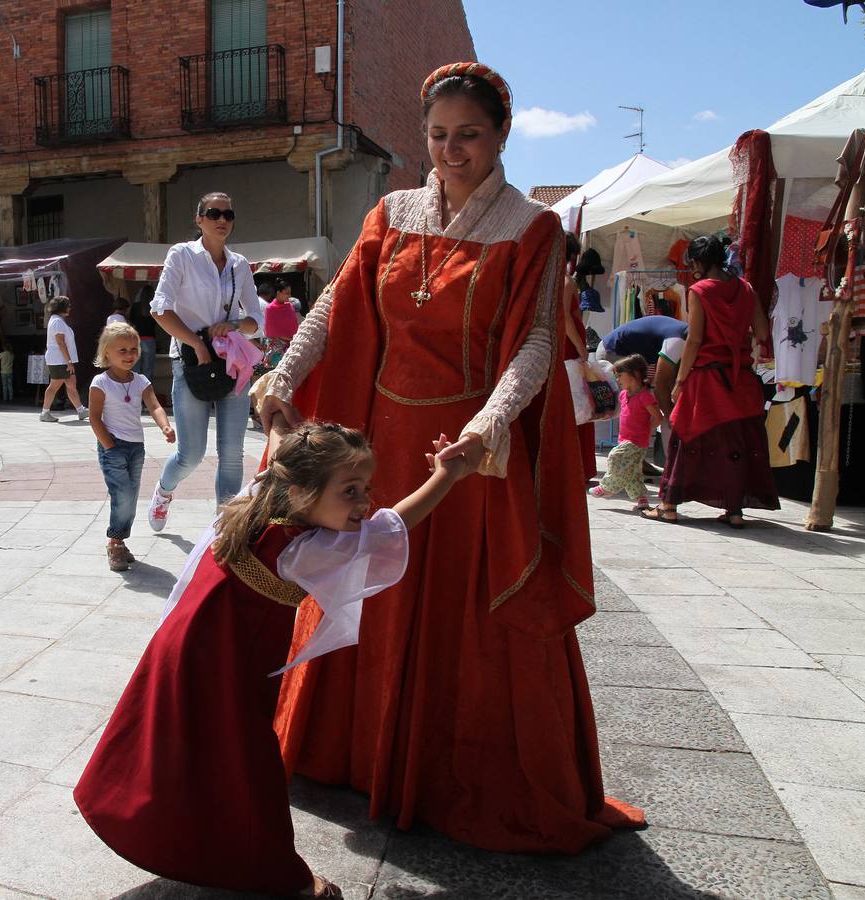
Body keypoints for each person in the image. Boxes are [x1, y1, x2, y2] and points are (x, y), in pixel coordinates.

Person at [258, 62, 644, 851]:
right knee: (365, 594)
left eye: (468, 135)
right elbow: (336, 305)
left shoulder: (531, 229)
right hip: (375, 450)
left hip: (466, 459)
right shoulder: (392, 210)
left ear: (501, 134)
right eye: (437, 135)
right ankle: (352, 754)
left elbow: (537, 338)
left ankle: (443, 776)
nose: (450, 150)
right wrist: (284, 372)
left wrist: (491, 422)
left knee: (461, 615)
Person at [75, 422, 465, 899]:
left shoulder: (258, 500)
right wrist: (446, 475)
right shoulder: (304, 548)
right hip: (226, 663)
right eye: (350, 490)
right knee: (248, 764)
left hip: (188, 642)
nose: (364, 503)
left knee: (183, 742)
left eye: (365, 488)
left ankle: (181, 829)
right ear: (301, 491)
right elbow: (391, 530)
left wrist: (278, 414)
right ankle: (285, 878)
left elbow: (282, 444)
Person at [147, 191, 264, 527]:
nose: (222, 220)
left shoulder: (239, 265)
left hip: (232, 362)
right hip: (189, 361)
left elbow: (256, 320)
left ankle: (222, 528)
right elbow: (160, 308)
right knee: (191, 454)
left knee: (231, 454)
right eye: (214, 213)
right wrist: (196, 344)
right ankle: (164, 492)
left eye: (228, 215)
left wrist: (236, 324)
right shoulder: (182, 255)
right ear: (199, 219)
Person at [644, 235, 778, 527]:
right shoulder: (746, 288)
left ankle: (668, 506)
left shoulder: (700, 290)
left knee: (687, 436)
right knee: (735, 443)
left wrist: (680, 381)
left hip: (707, 377)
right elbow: (762, 332)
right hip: (740, 377)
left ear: (698, 262)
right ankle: (734, 511)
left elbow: (694, 339)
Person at [88, 322, 176, 572]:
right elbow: (94, 417)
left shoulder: (141, 381)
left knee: (131, 496)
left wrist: (165, 426)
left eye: (133, 349)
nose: (129, 355)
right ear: (107, 353)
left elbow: (155, 406)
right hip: (112, 446)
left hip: (137, 448)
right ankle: (115, 542)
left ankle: (120, 540)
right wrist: (108, 445)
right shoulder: (100, 382)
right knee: (123, 494)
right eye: (122, 350)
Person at [588, 354, 661, 508]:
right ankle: (642, 500)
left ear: (635, 375)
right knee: (633, 473)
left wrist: (646, 431)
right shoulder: (623, 395)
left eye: (620, 375)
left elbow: (658, 417)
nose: (618, 380)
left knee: (615, 456)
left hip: (636, 441)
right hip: (625, 438)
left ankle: (607, 487)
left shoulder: (645, 397)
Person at [562, 234, 598, 481]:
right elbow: (565, 318)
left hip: (561, 348)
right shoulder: (566, 282)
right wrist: (582, 349)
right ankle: (578, 465)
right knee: (580, 404)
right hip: (569, 348)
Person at [40, 296, 88, 422]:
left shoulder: (58, 321)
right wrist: (69, 362)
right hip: (59, 360)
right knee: (54, 385)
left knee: (71, 383)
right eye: (68, 305)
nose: (70, 308)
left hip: (62, 360)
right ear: (63, 308)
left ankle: (81, 410)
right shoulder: (57, 322)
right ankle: (45, 412)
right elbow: (61, 342)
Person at [599, 315, 688, 365]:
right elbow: (662, 382)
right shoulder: (677, 339)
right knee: (630, 391)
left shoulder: (681, 330)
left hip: (616, 347)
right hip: (612, 350)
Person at [129, 289, 159, 397]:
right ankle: (147, 400)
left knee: (135, 371)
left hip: (136, 340)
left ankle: (135, 398)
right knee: (148, 371)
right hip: (150, 339)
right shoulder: (154, 306)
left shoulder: (136, 306)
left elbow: (131, 321)